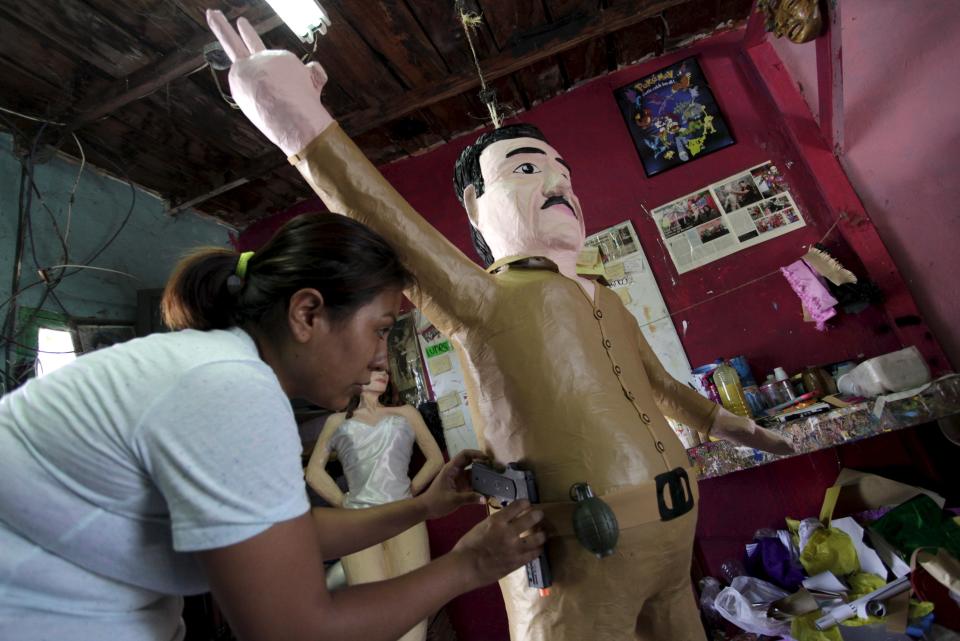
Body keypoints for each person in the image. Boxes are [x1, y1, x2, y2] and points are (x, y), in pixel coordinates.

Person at [206, 13, 795, 641]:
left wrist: (715, 420)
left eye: (564, 172)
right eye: (525, 169)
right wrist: (303, 128)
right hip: (576, 562)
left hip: (675, 546)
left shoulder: (603, 298)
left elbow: (652, 381)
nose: (558, 182)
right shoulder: (485, 297)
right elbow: (385, 222)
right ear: (474, 206)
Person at [0, 213, 545, 641]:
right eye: (379, 330)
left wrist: (426, 506)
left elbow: (290, 534)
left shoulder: (219, 370)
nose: (382, 359)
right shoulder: (228, 387)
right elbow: (294, 632)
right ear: (308, 314)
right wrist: (471, 565)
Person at [306, 369, 444, 641]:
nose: (383, 374)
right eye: (374, 369)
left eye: (385, 371)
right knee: (371, 608)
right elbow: (313, 473)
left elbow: (436, 459)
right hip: (359, 524)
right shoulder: (336, 421)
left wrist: (410, 490)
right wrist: (344, 502)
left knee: (414, 601)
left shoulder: (406, 413)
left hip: (404, 517)